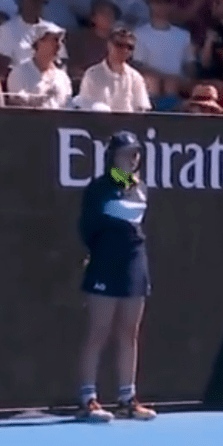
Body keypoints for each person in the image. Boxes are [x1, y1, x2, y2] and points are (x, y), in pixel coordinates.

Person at [76, 130, 158, 423]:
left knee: (129, 333)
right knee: (98, 331)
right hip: (105, 264)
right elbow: (87, 228)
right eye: (127, 153)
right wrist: (102, 252)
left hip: (135, 263)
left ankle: (127, 399)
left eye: (136, 153)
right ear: (113, 157)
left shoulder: (141, 187)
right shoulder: (99, 189)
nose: (134, 158)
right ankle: (88, 399)